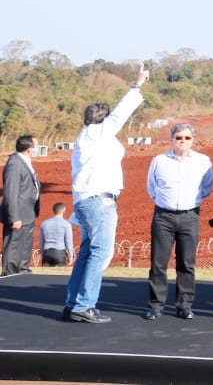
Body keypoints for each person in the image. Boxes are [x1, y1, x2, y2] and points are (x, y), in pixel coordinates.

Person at [64, 63, 148, 324]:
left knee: (87, 253)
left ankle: (73, 303)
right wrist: (138, 84)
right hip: (99, 201)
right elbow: (122, 112)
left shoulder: (86, 136)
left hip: (85, 201)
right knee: (100, 253)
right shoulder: (99, 132)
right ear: (103, 118)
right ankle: (85, 305)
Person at [143, 123, 213, 319]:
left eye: (187, 138)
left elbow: (207, 187)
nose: (183, 141)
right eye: (179, 137)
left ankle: (184, 306)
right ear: (172, 139)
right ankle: (156, 306)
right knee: (158, 263)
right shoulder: (159, 161)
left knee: (186, 263)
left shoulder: (202, 161)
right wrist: (163, 202)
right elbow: (151, 187)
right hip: (163, 217)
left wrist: (191, 202)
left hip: (190, 216)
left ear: (193, 139)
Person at [2, 134, 40, 275]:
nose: (37, 148)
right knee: (14, 246)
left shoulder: (25, 161)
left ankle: (23, 272)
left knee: (25, 246)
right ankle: (10, 275)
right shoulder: (15, 164)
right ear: (29, 148)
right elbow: (11, 192)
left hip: (28, 212)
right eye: (36, 145)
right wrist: (14, 217)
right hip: (18, 214)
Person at [39, 203, 74, 267]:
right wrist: (71, 255)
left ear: (53, 210)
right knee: (60, 273)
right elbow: (68, 241)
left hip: (47, 252)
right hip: (60, 252)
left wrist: (41, 254)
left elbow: (41, 241)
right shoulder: (66, 224)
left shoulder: (44, 223)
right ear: (64, 210)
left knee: (45, 273)